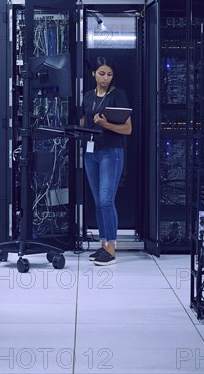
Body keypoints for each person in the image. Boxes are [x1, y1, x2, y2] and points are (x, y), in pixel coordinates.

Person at [80, 57, 132, 266]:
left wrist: (106, 124)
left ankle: (111, 247)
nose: (105, 78)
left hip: (111, 152)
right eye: (102, 73)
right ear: (94, 74)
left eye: (109, 74)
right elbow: (84, 119)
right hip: (91, 153)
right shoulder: (88, 97)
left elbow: (128, 129)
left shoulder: (118, 95)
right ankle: (103, 245)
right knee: (97, 202)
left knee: (105, 200)